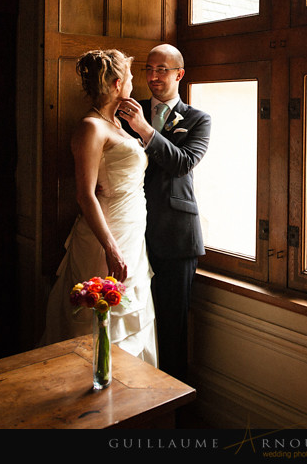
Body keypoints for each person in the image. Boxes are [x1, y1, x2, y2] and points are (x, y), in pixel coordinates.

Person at [42, 49, 158, 368]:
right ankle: (95, 378)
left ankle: (127, 387)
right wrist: (111, 248)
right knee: (98, 318)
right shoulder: (91, 127)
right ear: (118, 83)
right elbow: (85, 195)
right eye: (130, 77)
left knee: (131, 309)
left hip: (132, 230)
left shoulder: (118, 124)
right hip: (107, 235)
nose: (134, 83)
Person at [116, 44, 210, 382]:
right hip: (130, 231)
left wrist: (145, 128)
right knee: (133, 321)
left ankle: (172, 404)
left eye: (162, 70)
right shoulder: (127, 110)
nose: (153, 76)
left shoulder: (198, 119)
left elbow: (183, 163)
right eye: (149, 69)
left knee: (172, 327)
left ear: (179, 74)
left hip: (176, 236)